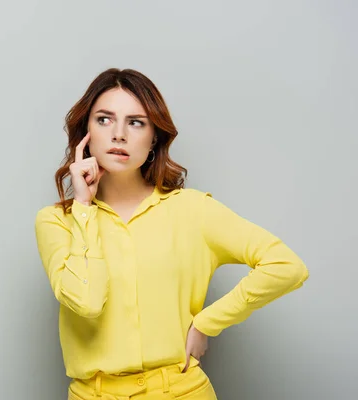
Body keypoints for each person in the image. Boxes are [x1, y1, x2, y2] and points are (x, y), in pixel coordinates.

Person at [34, 68, 309, 400]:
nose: (118, 134)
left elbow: (286, 266)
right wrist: (83, 207)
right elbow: (88, 303)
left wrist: (209, 322)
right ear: (85, 132)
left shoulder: (192, 210)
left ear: (154, 138)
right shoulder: (57, 221)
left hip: (181, 391)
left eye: (136, 122)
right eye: (104, 119)